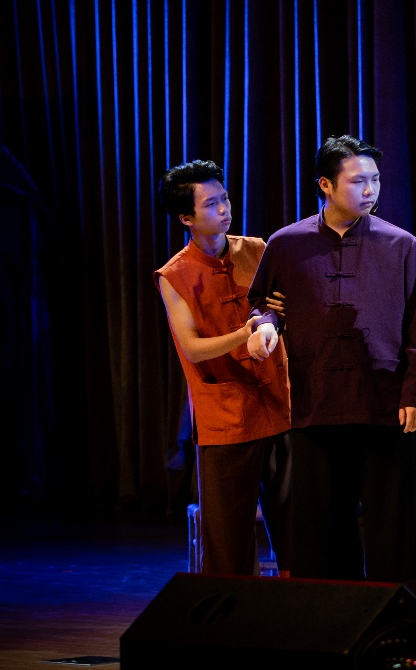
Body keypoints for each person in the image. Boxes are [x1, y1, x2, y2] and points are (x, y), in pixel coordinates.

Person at [246, 134, 416, 602]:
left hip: (384, 400)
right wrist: (265, 323)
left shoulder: (401, 245)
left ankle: (399, 607)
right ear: (326, 185)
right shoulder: (287, 244)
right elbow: (263, 302)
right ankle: (330, 607)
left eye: (375, 179)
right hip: (316, 400)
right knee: (320, 519)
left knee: (394, 516)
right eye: (358, 181)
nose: (370, 189)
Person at [154, 159, 291, 576]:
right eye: (211, 204)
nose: (224, 208)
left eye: (225, 198)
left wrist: (273, 319)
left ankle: (306, 602)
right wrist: (243, 334)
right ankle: (234, 608)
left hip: (280, 404)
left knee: (298, 526)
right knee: (228, 539)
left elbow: (278, 308)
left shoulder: (256, 249)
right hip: (226, 417)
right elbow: (192, 349)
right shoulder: (174, 275)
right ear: (186, 217)